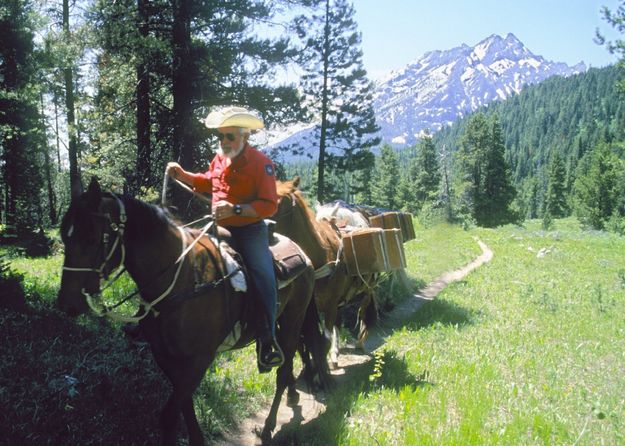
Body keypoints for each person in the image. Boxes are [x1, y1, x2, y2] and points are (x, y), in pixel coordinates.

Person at [166, 106, 284, 370]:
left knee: (262, 273)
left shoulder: (261, 163)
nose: (224, 142)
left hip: (250, 230)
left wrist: (236, 209)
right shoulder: (220, 158)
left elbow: (269, 205)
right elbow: (209, 181)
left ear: (245, 136)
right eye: (221, 137)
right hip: (219, 227)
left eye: (229, 136)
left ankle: (267, 338)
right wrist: (183, 175)